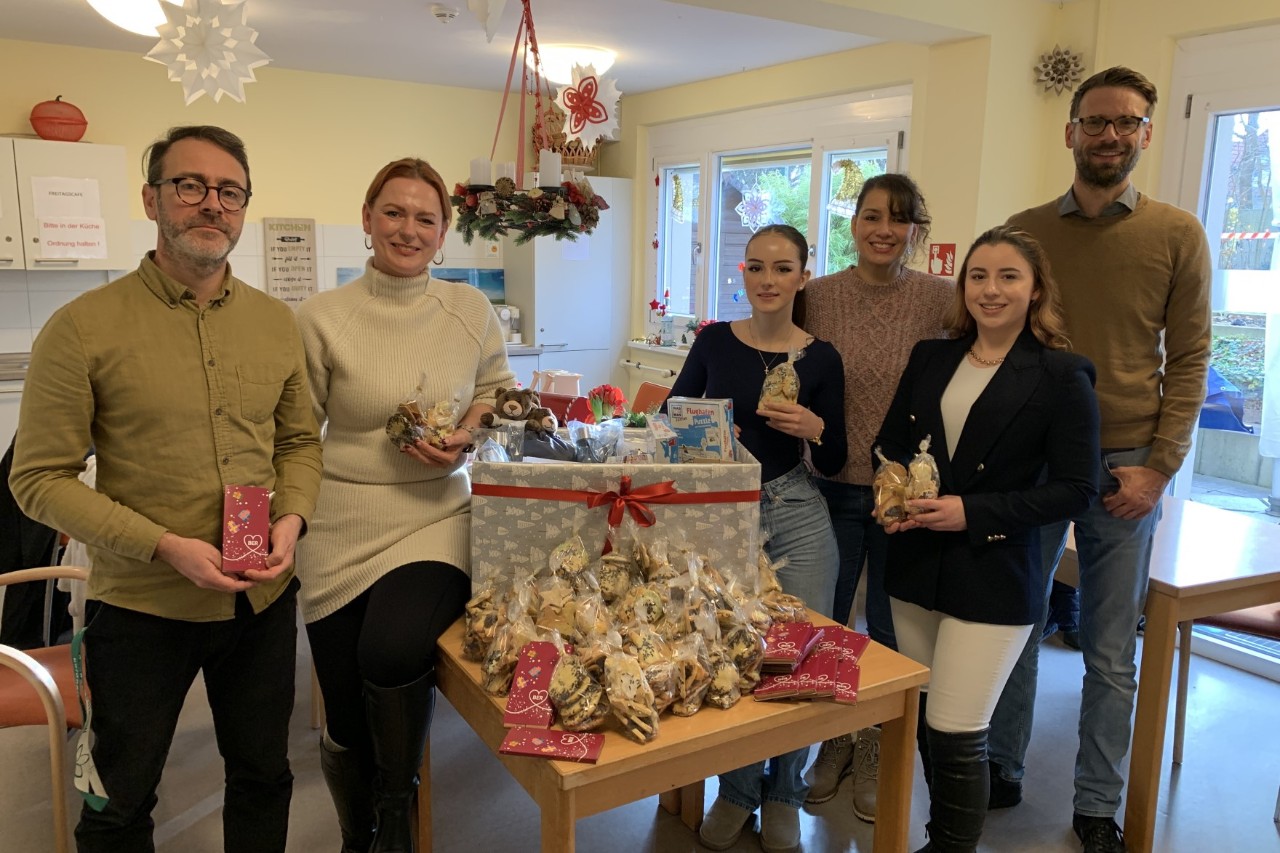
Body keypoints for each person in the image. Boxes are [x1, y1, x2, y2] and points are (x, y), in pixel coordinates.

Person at [8, 125, 323, 852]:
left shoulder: (277, 324)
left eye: (230, 191)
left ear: (244, 208)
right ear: (152, 199)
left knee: (263, 777)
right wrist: (164, 545)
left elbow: (300, 441)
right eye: (190, 185)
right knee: (118, 802)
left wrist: (293, 519)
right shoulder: (82, 327)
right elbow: (37, 478)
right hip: (142, 605)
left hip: (260, 599)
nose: (212, 204)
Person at [986, 66, 1212, 853]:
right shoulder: (1022, 231)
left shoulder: (1177, 234)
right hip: (1032, 463)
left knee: (1111, 651)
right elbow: (998, 342)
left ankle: (1095, 804)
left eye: (1127, 122)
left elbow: (1189, 359)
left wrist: (1160, 466)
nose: (1110, 134)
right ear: (1070, 130)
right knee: (1016, 624)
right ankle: (1000, 767)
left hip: (1125, 465)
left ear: (1145, 133)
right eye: (1096, 121)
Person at [295, 157, 513, 853]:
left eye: (426, 218)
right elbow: (299, 431)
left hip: (435, 517)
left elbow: (499, 391)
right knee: (346, 712)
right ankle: (356, 833)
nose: (408, 229)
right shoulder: (322, 316)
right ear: (367, 219)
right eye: (394, 212)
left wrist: (468, 435)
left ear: (444, 232)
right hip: (337, 524)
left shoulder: (469, 309)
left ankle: (397, 816)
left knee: (388, 652)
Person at [874, 225, 1100, 852]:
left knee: (956, 727)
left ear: (1035, 291)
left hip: (995, 569)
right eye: (978, 276)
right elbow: (892, 443)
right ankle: (935, 836)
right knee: (925, 717)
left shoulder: (1061, 375)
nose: (990, 290)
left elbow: (1077, 489)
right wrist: (888, 493)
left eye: (1008, 277)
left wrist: (973, 512)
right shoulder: (932, 356)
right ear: (962, 284)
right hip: (917, 559)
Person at [666, 224, 847, 853]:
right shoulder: (715, 341)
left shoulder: (820, 357)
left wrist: (815, 424)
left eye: (782, 268)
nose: (767, 280)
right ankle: (738, 789)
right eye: (755, 267)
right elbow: (671, 418)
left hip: (796, 507)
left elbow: (839, 455)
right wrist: (701, 431)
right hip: (724, 513)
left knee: (796, 656)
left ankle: (785, 791)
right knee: (732, 652)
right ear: (742, 273)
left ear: (803, 274)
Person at [802, 173, 953, 820]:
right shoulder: (818, 297)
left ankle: (876, 745)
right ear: (853, 222)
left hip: (904, 499)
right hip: (830, 487)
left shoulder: (944, 301)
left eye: (898, 218)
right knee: (830, 625)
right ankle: (832, 739)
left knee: (894, 633)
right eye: (871, 216)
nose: (883, 229)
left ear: (916, 227)